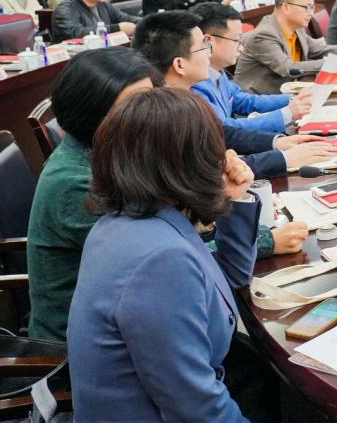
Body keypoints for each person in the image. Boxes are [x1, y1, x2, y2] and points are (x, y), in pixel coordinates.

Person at [67, 88, 259, 421]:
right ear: (193, 160)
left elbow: (229, 277)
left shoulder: (123, 221)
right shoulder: (161, 258)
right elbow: (196, 409)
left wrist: (235, 198)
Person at [27, 47, 159, 342]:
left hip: (122, 313)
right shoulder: (74, 184)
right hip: (80, 346)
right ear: (93, 114)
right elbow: (157, 258)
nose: (152, 113)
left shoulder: (113, 150)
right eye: (135, 106)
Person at [132, 10, 333, 177]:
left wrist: (277, 142)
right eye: (203, 46)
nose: (209, 52)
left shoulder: (182, 97)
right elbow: (209, 171)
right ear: (179, 65)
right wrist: (285, 158)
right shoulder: (163, 114)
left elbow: (223, 133)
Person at [190, 2, 310, 134]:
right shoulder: (195, 84)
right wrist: (286, 114)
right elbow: (224, 128)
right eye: (237, 40)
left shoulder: (218, 72)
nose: (241, 48)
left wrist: (294, 99)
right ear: (208, 42)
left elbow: (245, 101)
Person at [235, 0, 337, 94]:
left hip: (294, 93)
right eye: (306, 7)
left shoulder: (296, 28)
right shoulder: (264, 35)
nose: (311, 13)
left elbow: (319, 50)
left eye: (312, 7)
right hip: (262, 103)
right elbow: (288, 68)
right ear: (286, 7)